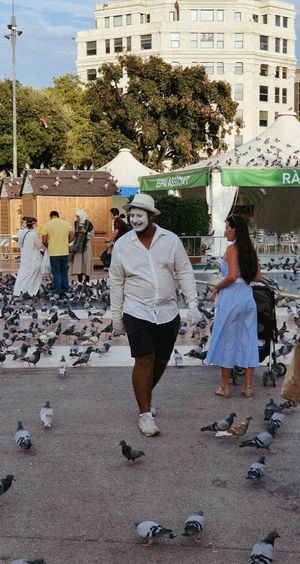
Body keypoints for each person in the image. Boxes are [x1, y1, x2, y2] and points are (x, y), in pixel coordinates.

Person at [109, 193, 200, 437]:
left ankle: (145, 398)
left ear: (150, 216)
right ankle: (145, 414)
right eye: (132, 215)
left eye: (140, 215)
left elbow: (184, 272)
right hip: (136, 309)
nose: (135, 219)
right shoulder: (123, 245)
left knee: (161, 360)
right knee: (144, 359)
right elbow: (116, 282)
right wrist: (116, 316)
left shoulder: (170, 240)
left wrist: (193, 304)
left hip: (168, 311)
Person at [206, 214, 261, 399]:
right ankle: (248, 387)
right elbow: (257, 276)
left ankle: (224, 386)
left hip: (231, 298)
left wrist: (216, 287)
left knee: (227, 339)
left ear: (235, 229)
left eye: (227, 227)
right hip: (247, 296)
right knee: (249, 338)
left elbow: (230, 276)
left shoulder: (231, 249)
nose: (225, 231)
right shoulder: (250, 249)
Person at [41, 211, 74, 296]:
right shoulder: (66, 224)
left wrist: (49, 246)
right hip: (64, 252)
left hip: (53, 253)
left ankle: (58, 290)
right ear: (58, 216)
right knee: (64, 271)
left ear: (50, 217)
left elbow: (44, 240)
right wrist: (66, 242)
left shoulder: (47, 225)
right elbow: (72, 236)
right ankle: (66, 290)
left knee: (56, 272)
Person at [13, 217, 42, 297]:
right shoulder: (33, 234)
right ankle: (30, 291)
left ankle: (18, 291)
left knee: (23, 275)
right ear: (33, 224)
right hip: (33, 258)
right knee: (33, 275)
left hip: (25, 258)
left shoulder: (22, 233)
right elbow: (39, 245)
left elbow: (19, 242)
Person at [69, 210, 94, 283]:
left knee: (86, 262)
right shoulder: (75, 223)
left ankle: (87, 281)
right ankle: (79, 281)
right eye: (76, 217)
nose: (77, 218)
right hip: (77, 246)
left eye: (78, 217)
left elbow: (92, 234)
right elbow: (73, 233)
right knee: (78, 263)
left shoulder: (89, 224)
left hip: (86, 245)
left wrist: (85, 232)